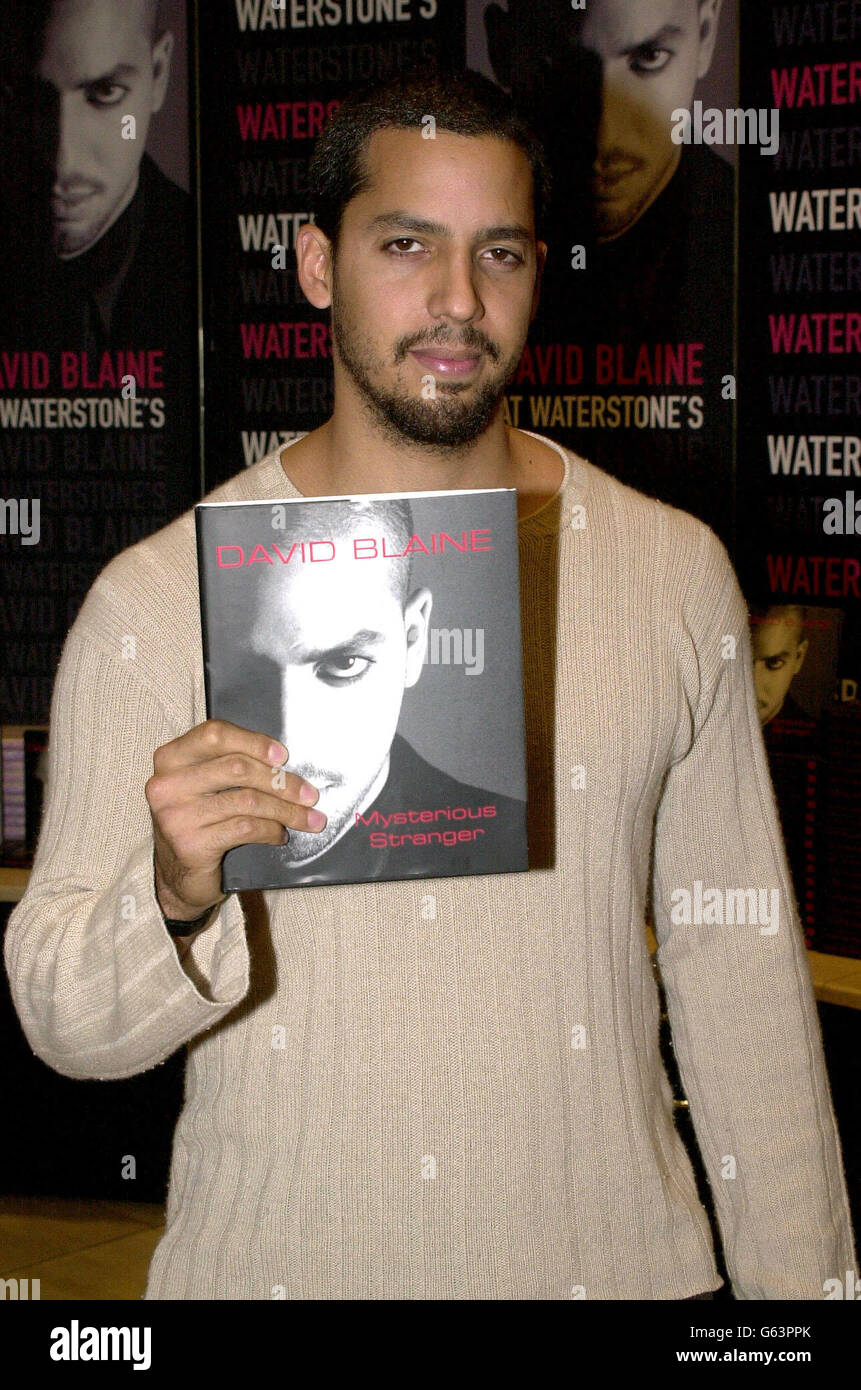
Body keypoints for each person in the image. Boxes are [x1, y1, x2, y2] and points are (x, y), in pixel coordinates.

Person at [4, 69, 855, 1301]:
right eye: (407, 244)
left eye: (498, 252)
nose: (458, 301)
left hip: (618, 1273)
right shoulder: (158, 602)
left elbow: (742, 986)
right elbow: (65, 1025)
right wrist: (175, 895)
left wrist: (805, 1309)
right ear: (314, 265)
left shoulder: (670, 572)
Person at [483, 0, 735, 541]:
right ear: (502, 50)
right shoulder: (455, 246)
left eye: (648, 58)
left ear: (708, 33)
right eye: (560, 68)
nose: (605, 133)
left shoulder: (747, 241)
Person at [208, 495, 527, 888]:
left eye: (344, 665)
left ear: (413, 642)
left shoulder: (506, 839)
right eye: (249, 673)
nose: (289, 743)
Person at [0, 0, 191, 355]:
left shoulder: (215, 266)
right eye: (28, 95)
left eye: (104, 93)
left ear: (159, 73)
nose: (63, 162)